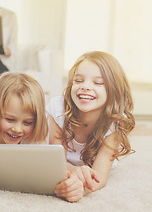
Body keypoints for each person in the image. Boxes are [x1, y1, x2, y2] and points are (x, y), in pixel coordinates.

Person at [47, 51, 135, 202]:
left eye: (98, 83)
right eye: (79, 80)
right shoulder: (58, 109)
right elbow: (55, 161)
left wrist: (79, 189)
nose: (85, 87)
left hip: (92, 167)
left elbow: (99, 176)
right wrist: (75, 171)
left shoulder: (116, 123)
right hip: (65, 163)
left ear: (115, 90)